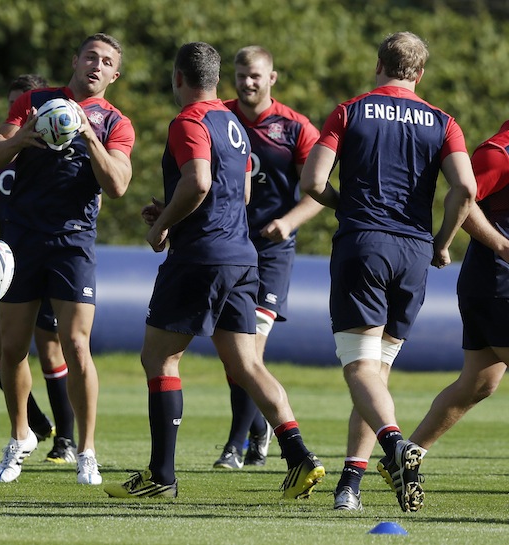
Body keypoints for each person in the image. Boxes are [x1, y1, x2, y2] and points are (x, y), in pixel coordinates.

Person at [104, 41, 325, 500]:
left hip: (200, 258)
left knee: (159, 358)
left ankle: (161, 476)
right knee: (246, 363)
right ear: (218, 78)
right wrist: (172, 209)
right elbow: (238, 193)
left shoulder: (190, 120)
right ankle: (300, 456)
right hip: (243, 256)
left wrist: (163, 226)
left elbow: (200, 181)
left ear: (178, 78)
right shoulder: (233, 125)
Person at [299, 31, 476, 512]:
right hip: (415, 252)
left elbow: (313, 181)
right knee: (377, 371)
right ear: (419, 74)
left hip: (365, 242)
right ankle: (350, 486)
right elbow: (465, 188)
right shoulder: (444, 122)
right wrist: (441, 242)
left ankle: (396, 446)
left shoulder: (350, 110)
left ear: (379, 65)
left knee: (359, 367)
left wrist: (344, 205)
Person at [0, 33, 135, 486]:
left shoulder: (116, 123)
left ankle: (86, 451)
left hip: (73, 242)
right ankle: (19, 437)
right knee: (11, 347)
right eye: (90, 55)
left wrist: (88, 135)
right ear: (74, 60)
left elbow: (118, 185)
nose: (96, 64)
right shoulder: (35, 100)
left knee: (76, 345)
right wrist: (25, 136)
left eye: (106, 61)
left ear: (114, 74)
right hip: (23, 238)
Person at [212, 45, 324, 470]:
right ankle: (257, 429)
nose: (248, 82)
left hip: (273, 252)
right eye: (241, 75)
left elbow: (319, 190)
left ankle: (234, 446)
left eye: (256, 75)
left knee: (249, 354)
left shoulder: (295, 127)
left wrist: (289, 221)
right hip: (226, 247)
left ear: (272, 78)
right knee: (233, 355)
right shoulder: (218, 116)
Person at [0, 74, 77, 464]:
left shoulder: (57, 149)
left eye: (28, 107)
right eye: (15, 107)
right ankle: (35, 423)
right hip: (5, 256)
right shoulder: (2, 149)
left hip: (48, 250)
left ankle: (67, 441)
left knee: (50, 345)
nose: (23, 114)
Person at [404, 121, 509, 473]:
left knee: (479, 382)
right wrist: (501, 245)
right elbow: (462, 200)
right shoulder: (498, 153)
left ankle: (405, 457)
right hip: (498, 283)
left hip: (493, 285)